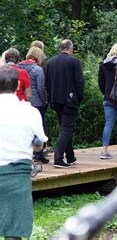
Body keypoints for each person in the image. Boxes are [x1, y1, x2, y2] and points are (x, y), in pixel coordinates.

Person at [0, 66, 48, 239]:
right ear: (19, 84)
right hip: (17, 176)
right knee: (14, 230)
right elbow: (40, 143)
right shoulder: (30, 112)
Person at [45, 39, 84, 168]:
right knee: (66, 129)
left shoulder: (50, 62)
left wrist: (50, 98)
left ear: (60, 48)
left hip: (56, 100)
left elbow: (47, 83)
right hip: (69, 100)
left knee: (65, 127)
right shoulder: (74, 62)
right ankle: (58, 158)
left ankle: (70, 156)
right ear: (70, 48)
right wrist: (79, 98)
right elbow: (79, 82)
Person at [18, 47, 49, 164]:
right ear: (38, 57)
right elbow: (41, 88)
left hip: (22, 103)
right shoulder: (38, 69)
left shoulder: (18, 67)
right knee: (38, 128)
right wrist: (45, 100)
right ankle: (38, 154)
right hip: (36, 103)